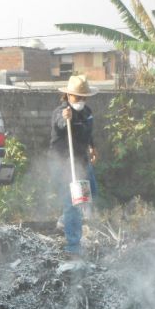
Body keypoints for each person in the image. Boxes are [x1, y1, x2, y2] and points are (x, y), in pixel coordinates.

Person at [49, 74, 99, 258]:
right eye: (77, 97)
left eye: (84, 97)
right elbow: (61, 125)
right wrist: (66, 118)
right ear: (69, 96)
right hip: (65, 162)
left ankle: (64, 221)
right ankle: (72, 246)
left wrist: (92, 147)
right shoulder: (61, 112)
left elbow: (88, 132)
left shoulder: (86, 112)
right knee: (74, 203)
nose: (81, 100)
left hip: (82, 160)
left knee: (91, 192)